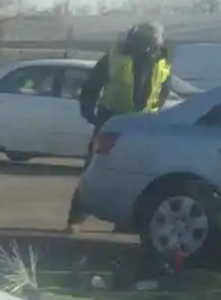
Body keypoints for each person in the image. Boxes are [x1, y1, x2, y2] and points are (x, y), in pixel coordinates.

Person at [66, 20, 172, 232]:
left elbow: (164, 90)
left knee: (135, 173)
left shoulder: (162, 62)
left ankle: (124, 220)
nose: (145, 46)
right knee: (95, 169)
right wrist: (88, 109)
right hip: (112, 119)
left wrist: (156, 111)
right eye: (141, 41)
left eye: (150, 42)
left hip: (143, 124)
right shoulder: (115, 57)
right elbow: (92, 84)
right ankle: (76, 218)